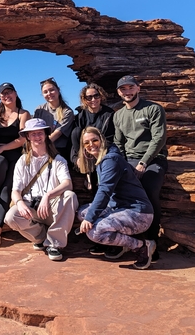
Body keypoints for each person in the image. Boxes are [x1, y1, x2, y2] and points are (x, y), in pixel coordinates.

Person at [77, 127, 155, 269]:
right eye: (86, 143)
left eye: (94, 140)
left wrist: (90, 218)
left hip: (139, 214)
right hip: (120, 208)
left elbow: (104, 191)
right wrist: (89, 216)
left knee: (95, 232)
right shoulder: (104, 159)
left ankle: (142, 246)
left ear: (102, 140)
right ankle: (121, 243)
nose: (91, 145)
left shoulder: (111, 160)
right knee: (82, 212)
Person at [5, 118, 78, 261]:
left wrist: (48, 196)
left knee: (70, 195)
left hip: (52, 207)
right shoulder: (23, 161)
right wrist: (19, 203)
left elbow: (67, 183)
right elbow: (15, 190)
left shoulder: (58, 160)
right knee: (11, 217)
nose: (37, 137)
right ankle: (41, 237)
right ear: (27, 137)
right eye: (33, 134)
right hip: (32, 207)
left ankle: (55, 244)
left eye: (40, 133)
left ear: (45, 134)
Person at [112, 75, 168, 260]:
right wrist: (121, 164)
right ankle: (127, 240)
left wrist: (143, 162)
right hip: (129, 159)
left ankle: (151, 241)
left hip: (153, 159)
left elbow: (158, 139)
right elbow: (118, 143)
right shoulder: (118, 115)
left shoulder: (153, 109)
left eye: (130, 88)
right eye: (123, 89)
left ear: (138, 88)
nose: (127, 92)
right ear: (119, 92)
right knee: (120, 193)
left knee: (150, 191)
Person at [0, 83, 31, 248]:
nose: (6, 96)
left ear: (16, 94)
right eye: (3, 94)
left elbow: (23, 139)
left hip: (16, 154)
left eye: (9, 93)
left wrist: (3, 147)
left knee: (9, 187)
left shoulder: (23, 114)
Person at [70, 83, 115, 191]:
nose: (93, 99)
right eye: (89, 97)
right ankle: (87, 172)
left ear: (100, 96)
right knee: (76, 132)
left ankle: (91, 175)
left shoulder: (109, 114)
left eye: (96, 95)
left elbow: (110, 137)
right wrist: (76, 158)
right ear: (84, 99)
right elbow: (75, 139)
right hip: (85, 151)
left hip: (101, 150)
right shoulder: (81, 116)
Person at [34, 78, 75, 162]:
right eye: (45, 92)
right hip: (40, 146)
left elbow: (57, 133)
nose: (49, 93)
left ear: (58, 90)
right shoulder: (39, 109)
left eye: (51, 90)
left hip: (57, 148)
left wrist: (41, 145)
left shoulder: (67, 112)